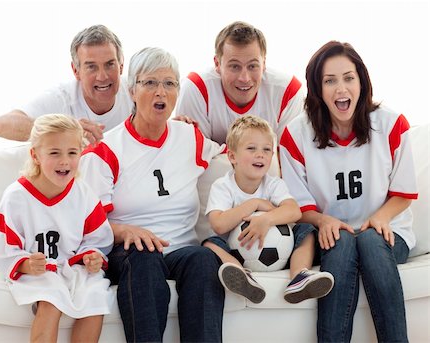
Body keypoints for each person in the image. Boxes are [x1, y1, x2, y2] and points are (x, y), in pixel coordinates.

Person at [80, 47, 226, 342]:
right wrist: (126, 231)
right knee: (145, 258)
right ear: (131, 91)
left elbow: (235, 155)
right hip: (130, 253)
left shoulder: (190, 137)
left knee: (203, 259)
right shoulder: (106, 151)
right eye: (150, 83)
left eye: (170, 83)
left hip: (180, 249)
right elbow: (88, 223)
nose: (161, 92)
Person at [279, 41, 418, 342]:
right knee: (342, 242)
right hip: (332, 237)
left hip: (388, 235)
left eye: (348, 77)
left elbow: (404, 194)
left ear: (361, 82)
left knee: (368, 240)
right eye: (330, 80)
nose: (341, 88)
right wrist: (322, 221)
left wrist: (380, 217)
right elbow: (298, 206)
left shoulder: (392, 124)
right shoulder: (295, 134)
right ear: (317, 88)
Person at [0, 114, 114, 343]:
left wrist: (91, 256)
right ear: (35, 155)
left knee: (95, 296)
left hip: (72, 266)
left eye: (72, 152)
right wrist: (27, 263)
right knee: (50, 296)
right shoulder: (16, 197)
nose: (65, 161)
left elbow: (98, 238)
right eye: (54, 153)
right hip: (37, 271)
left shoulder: (83, 194)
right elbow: (4, 248)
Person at [204, 115, 334, 304]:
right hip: (237, 252)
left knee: (307, 232)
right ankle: (241, 275)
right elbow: (218, 224)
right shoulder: (223, 186)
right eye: (251, 148)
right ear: (232, 156)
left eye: (267, 149)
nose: (260, 154)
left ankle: (299, 276)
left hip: (281, 252)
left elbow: (294, 212)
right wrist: (255, 204)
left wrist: (266, 219)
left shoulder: (273, 184)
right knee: (209, 244)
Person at [0, 24, 133, 145]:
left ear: (121, 65)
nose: (102, 76)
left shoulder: (136, 91)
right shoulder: (62, 98)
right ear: (76, 71)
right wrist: (63, 130)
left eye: (110, 64)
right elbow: (1, 125)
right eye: (91, 67)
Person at [175, 21, 304, 146]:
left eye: (252, 66)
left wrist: (214, 151)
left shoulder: (288, 91)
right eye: (234, 66)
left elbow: (286, 161)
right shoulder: (196, 88)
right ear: (217, 64)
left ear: (264, 63)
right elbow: (194, 158)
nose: (244, 78)